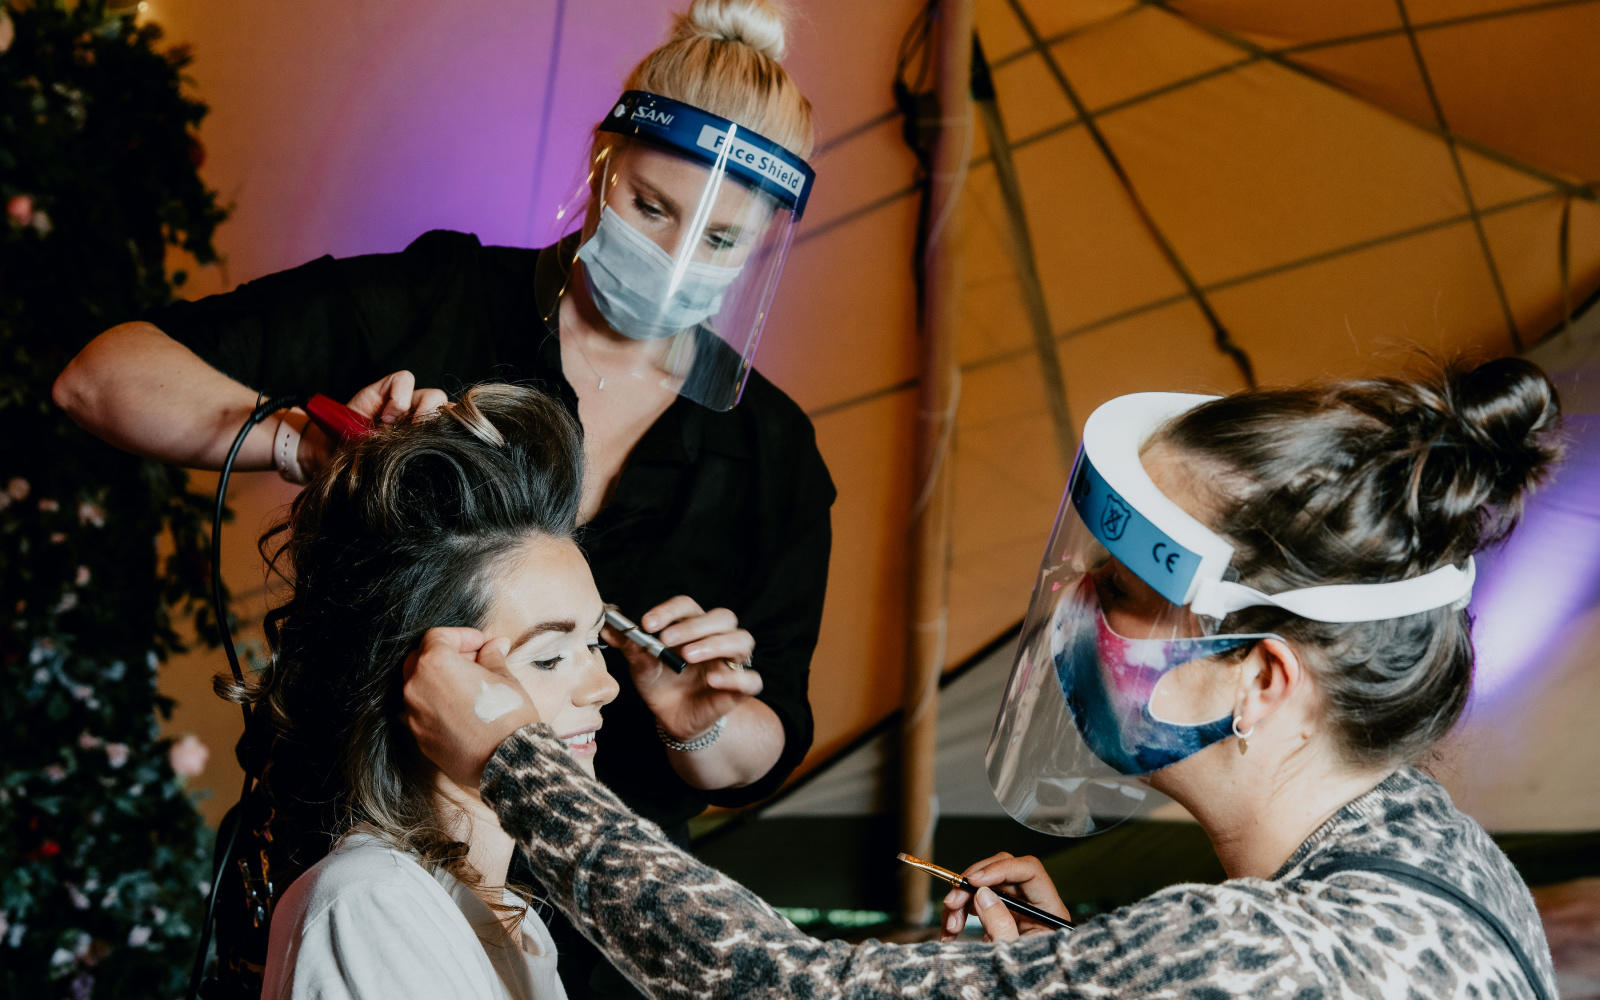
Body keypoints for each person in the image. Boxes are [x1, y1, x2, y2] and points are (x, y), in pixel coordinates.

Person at [52, 1, 831, 994]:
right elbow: (99, 379)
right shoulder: (439, 300)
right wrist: (304, 441)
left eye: (721, 238)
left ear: (765, 238)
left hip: (582, 925)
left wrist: (701, 721)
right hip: (349, 849)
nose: (677, 260)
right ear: (601, 161)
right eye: (651, 209)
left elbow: (762, 747)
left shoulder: (772, 454)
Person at [404, 359, 1561, 999]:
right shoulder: (1443, 858)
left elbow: (785, 992)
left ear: (1260, 677)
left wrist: (512, 764)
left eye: (1117, 596)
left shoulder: (1258, 955)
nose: (1071, 616)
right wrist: (1077, 971)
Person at [240, 383, 763, 1000]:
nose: (603, 688)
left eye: (595, 645)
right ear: (419, 675)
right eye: (547, 657)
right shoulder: (372, 905)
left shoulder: (512, 924)